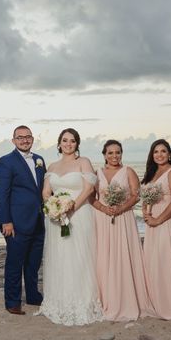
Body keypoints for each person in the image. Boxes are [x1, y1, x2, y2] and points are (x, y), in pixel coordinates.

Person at [39, 128, 103, 326]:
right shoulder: (52, 165)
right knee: (59, 257)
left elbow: (88, 189)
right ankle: (60, 300)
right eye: (65, 140)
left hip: (79, 215)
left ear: (77, 144)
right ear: (59, 143)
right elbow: (46, 192)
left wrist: (70, 208)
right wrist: (54, 208)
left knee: (80, 256)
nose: (68, 144)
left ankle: (83, 301)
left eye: (72, 141)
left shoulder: (83, 162)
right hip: (56, 219)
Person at [93, 139, 154, 321]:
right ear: (104, 155)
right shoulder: (97, 173)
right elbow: (92, 198)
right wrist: (104, 208)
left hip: (123, 218)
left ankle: (125, 299)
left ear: (122, 154)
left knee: (122, 255)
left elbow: (136, 195)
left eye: (118, 152)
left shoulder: (128, 171)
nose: (114, 156)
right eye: (110, 153)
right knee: (104, 256)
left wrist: (120, 208)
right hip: (103, 219)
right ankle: (105, 298)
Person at [0, 125, 46, 315]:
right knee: (15, 263)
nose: (24, 140)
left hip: (38, 220)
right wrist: (5, 221)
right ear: (13, 140)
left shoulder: (39, 160)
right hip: (16, 223)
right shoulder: (6, 162)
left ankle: (33, 295)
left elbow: (42, 190)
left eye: (28, 137)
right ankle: (12, 301)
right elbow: (1, 194)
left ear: (32, 139)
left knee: (33, 262)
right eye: (20, 137)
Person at [141, 139, 171, 320]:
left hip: (166, 221)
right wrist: (145, 212)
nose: (159, 155)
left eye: (163, 151)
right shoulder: (152, 174)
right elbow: (145, 197)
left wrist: (158, 219)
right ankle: (155, 302)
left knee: (166, 260)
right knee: (153, 260)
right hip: (151, 223)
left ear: (170, 154)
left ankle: (170, 305)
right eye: (156, 152)